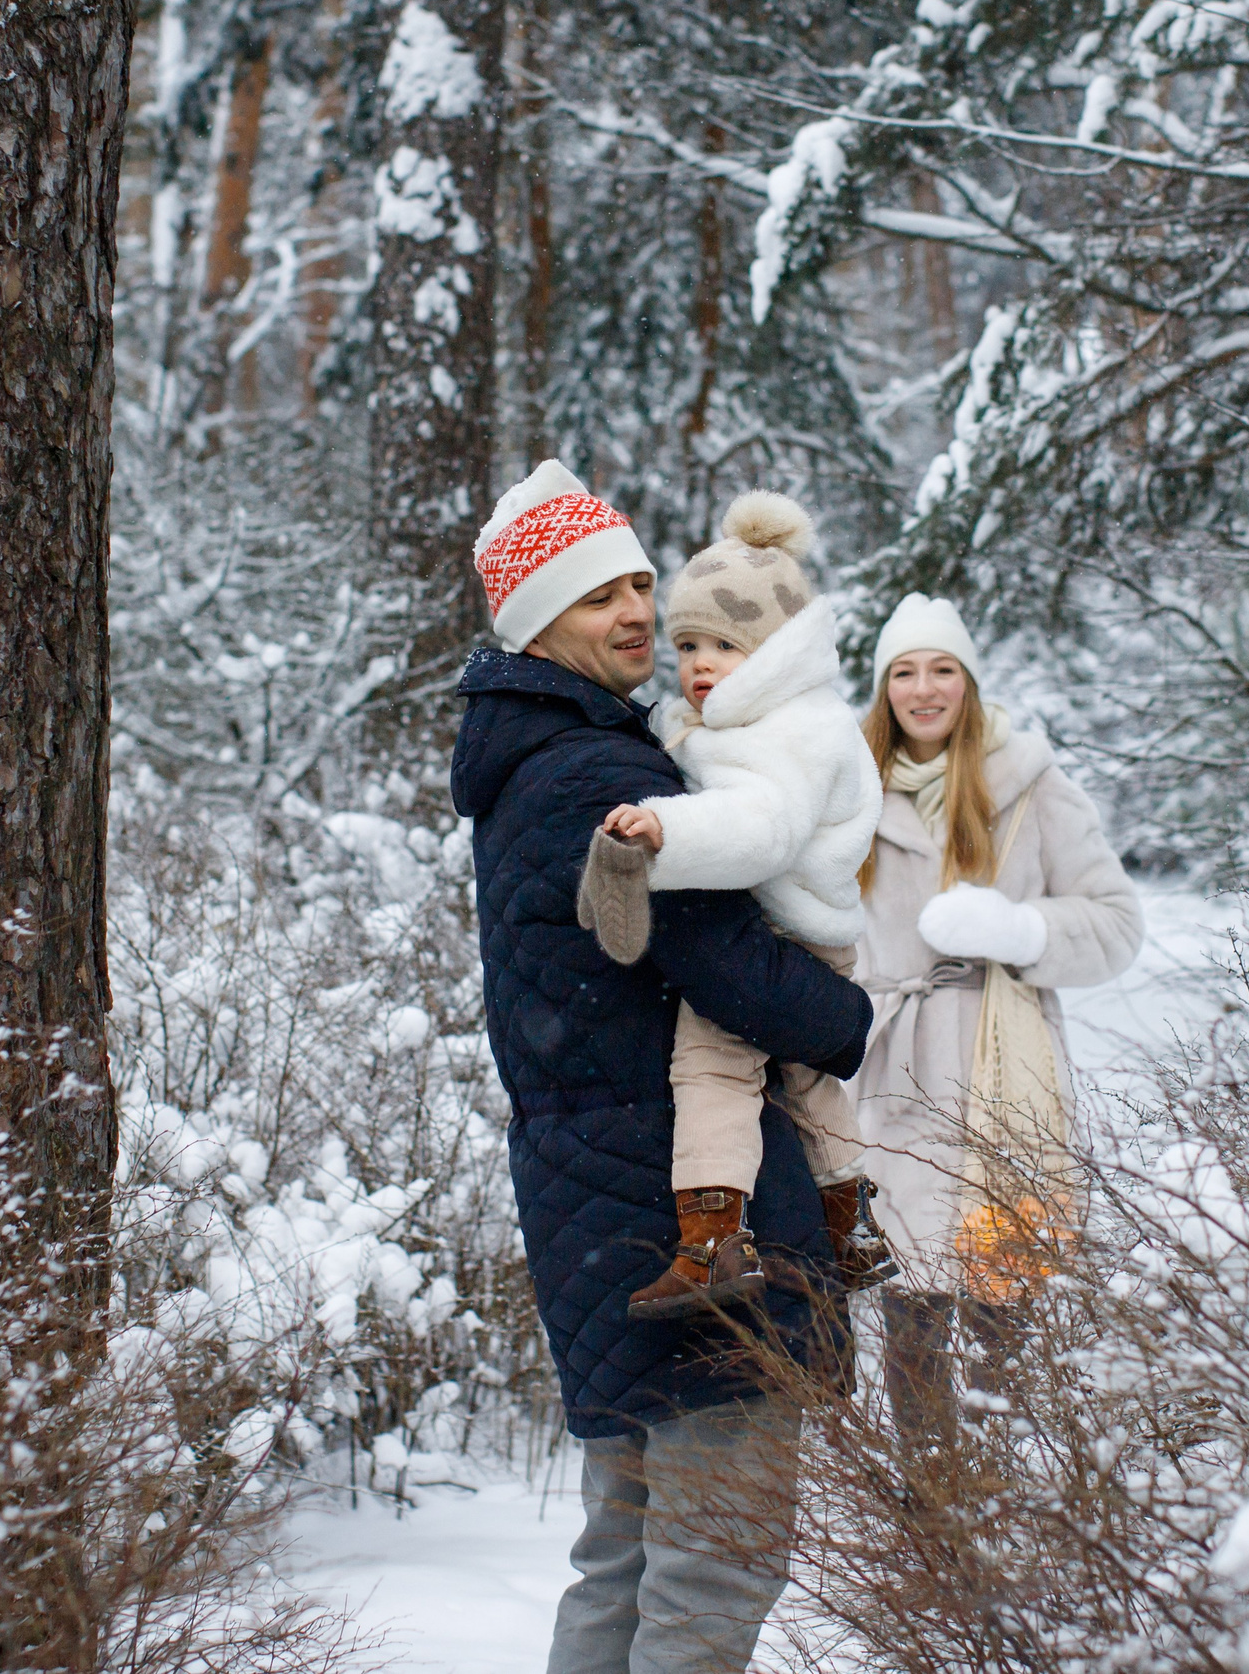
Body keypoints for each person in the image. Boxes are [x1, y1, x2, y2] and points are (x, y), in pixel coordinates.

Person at [450, 460, 873, 1674]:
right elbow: (735, 971)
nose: (635, 611)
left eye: (641, 582)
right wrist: (848, 1015)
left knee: (631, 1552)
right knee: (714, 1558)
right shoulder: (597, 776)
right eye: (598, 598)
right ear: (534, 621)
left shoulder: (537, 763)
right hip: (681, 1216)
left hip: (598, 1204)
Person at [576, 489, 897, 1319]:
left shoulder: (791, 730)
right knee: (807, 1079)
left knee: (711, 1064)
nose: (700, 664)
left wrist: (663, 833)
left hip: (780, 929)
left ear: (775, 649)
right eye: (687, 644)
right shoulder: (782, 712)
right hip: (811, 935)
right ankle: (853, 1222)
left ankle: (713, 1240)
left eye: (725, 643)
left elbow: (762, 829)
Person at [850, 593, 1144, 1440]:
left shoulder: (1031, 783)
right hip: (895, 1071)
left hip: (1004, 1079)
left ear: (969, 683)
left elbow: (1118, 922)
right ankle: (933, 1524)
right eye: (904, 671)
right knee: (909, 1319)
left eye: (942, 668)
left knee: (1001, 1315)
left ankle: (1000, 1518)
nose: (924, 688)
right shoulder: (851, 792)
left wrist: (1020, 932)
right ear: (885, 689)